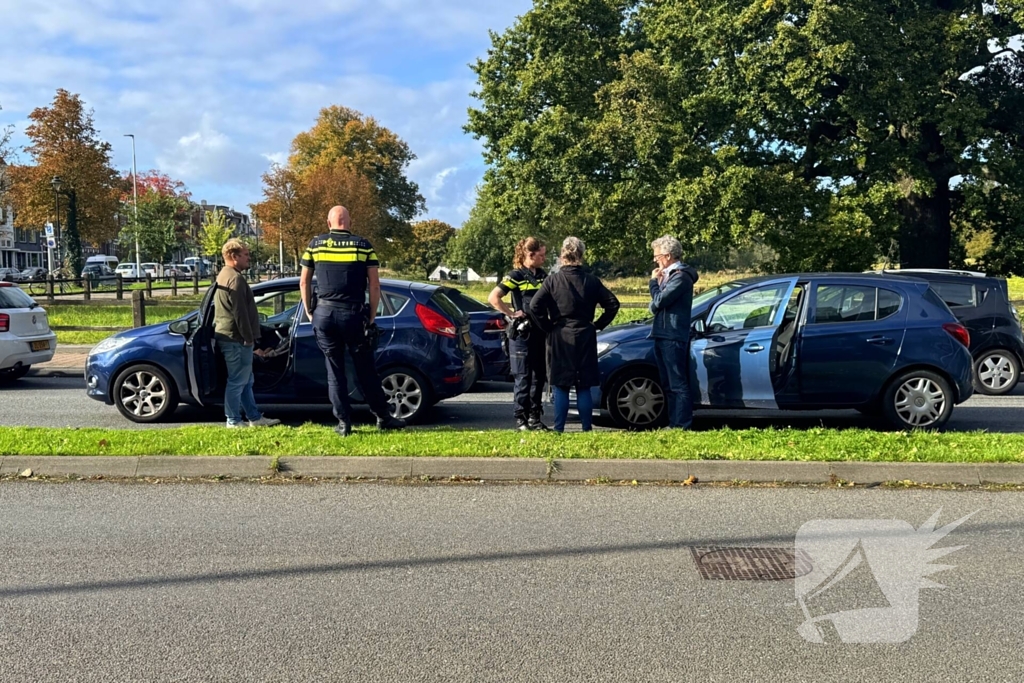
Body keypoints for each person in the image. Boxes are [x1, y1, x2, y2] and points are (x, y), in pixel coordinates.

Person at [299, 205, 405, 437]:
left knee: (334, 371)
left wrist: (309, 311)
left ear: (329, 223)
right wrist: (372, 315)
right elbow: (374, 284)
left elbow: (304, 283)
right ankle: (383, 416)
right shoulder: (363, 245)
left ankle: (344, 423)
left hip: (324, 314)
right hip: (353, 314)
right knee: (365, 368)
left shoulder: (315, 245)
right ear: (349, 222)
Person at [529, 237, 619, 433]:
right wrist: (598, 325)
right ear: (581, 256)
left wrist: (547, 326)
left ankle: (560, 428)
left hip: (560, 334)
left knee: (560, 384)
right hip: (585, 333)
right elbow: (613, 304)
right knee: (583, 385)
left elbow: (534, 306)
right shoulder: (592, 281)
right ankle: (586, 428)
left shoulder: (552, 281)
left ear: (562, 256)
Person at [213, 239, 280, 429]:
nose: (249, 258)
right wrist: (248, 339)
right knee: (237, 381)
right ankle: (233, 420)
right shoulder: (235, 279)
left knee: (245, 380)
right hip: (236, 339)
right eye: (245, 255)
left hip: (232, 337)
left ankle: (254, 417)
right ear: (234, 257)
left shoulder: (224, 275)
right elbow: (239, 313)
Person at [488, 237, 550, 431]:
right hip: (522, 335)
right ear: (529, 255)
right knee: (523, 377)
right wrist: (511, 313)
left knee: (539, 376)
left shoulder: (542, 275)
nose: (544, 258)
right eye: (541, 255)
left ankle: (535, 418)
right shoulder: (516, 275)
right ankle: (521, 419)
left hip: (540, 333)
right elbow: (493, 297)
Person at [649, 235, 699, 429]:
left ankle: (682, 424)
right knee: (667, 383)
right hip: (662, 333)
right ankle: (673, 422)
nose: (655, 260)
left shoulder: (681, 276)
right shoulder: (669, 276)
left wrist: (653, 283)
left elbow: (659, 302)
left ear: (668, 256)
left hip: (673, 335)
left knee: (677, 383)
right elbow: (656, 304)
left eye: (657, 256)